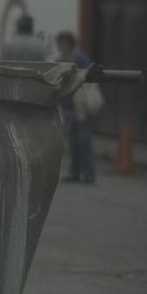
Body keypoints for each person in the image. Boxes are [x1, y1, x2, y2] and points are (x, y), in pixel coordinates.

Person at [56, 31, 95, 184]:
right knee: (73, 141)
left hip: (81, 105)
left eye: (62, 44)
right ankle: (75, 172)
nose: (60, 48)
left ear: (68, 44)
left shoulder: (80, 58)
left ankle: (88, 173)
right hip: (69, 106)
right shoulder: (64, 59)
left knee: (84, 140)